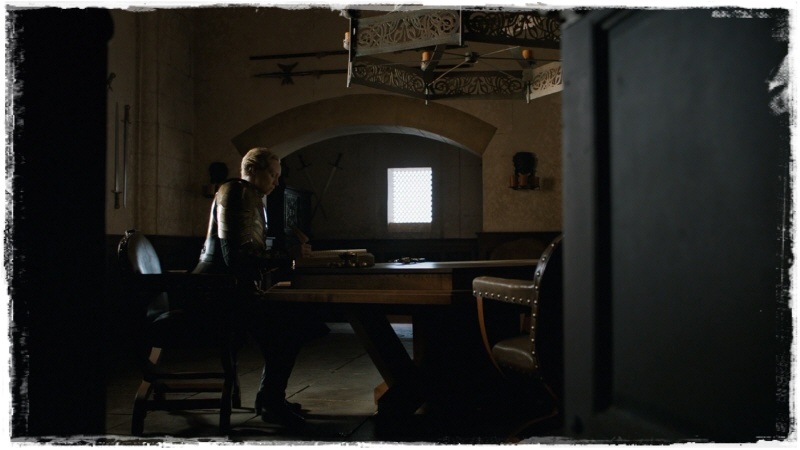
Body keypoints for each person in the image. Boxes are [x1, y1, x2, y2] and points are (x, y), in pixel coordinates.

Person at [193, 147, 314, 430]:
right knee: (291, 327)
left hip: (227, 291)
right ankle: (271, 401)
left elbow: (245, 258)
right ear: (252, 170)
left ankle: (270, 398)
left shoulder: (249, 196)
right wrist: (289, 256)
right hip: (218, 295)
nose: (276, 182)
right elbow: (237, 259)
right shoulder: (238, 193)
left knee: (295, 322)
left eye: (277, 176)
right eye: (272, 174)